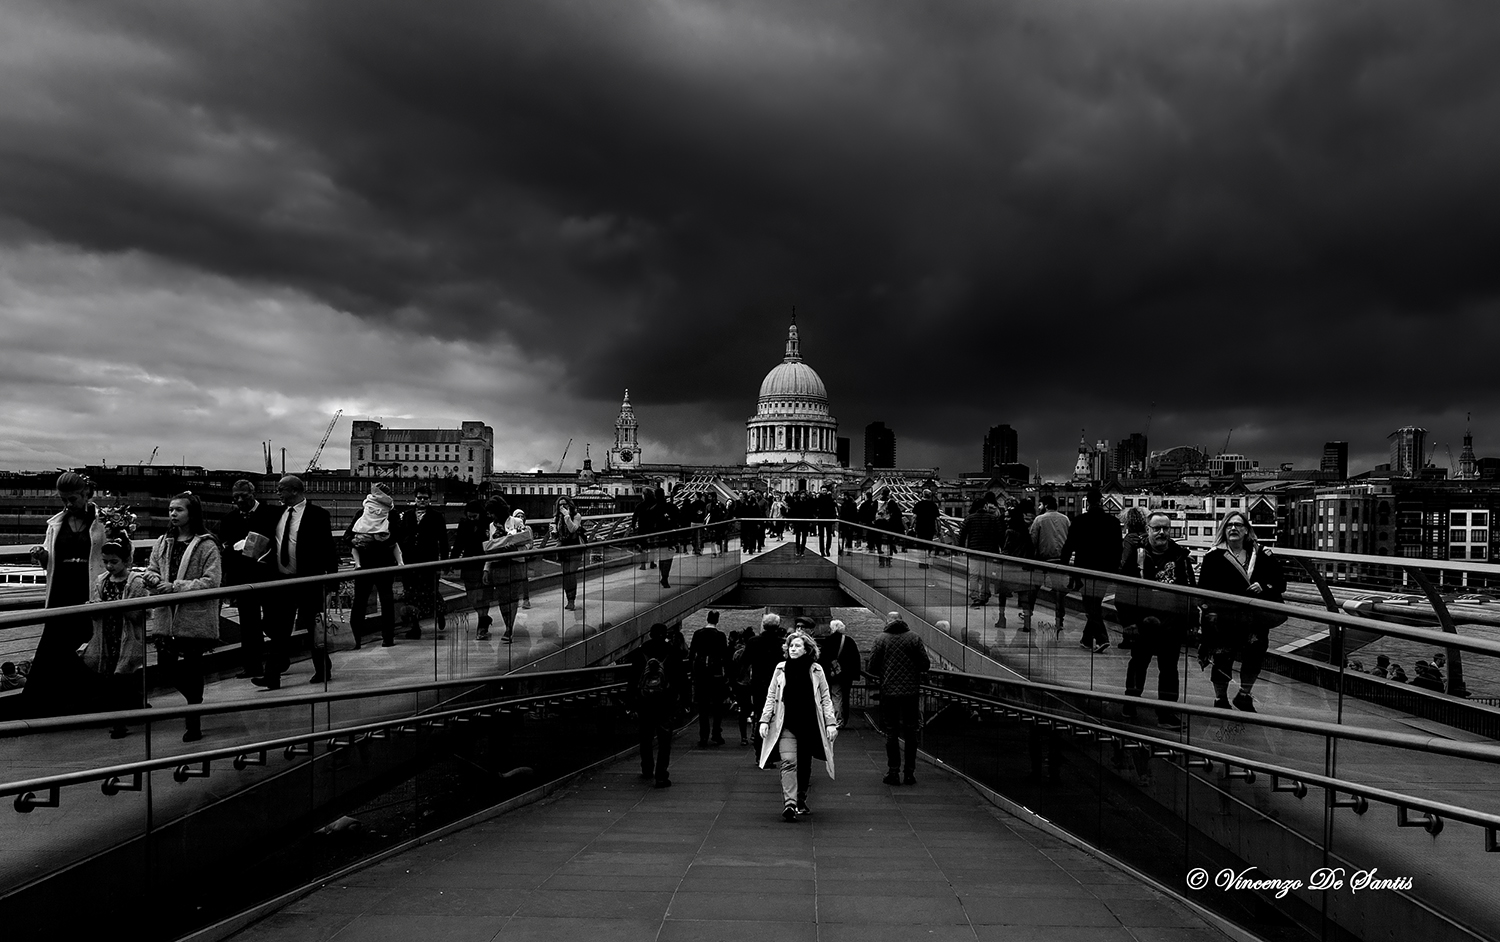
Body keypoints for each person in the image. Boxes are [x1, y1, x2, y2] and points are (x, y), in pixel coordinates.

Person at [23, 471, 109, 716]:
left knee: (84, 646)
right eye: (63, 500)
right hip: (61, 591)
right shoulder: (56, 523)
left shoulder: (104, 521)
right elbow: (52, 560)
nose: (68, 504)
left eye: (72, 499)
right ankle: (47, 706)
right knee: (53, 647)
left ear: (86, 494)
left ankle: (84, 701)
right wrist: (42, 555)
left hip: (88, 590)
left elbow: (117, 553)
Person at [146, 492, 223, 742]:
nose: (172, 514)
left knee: (192, 667)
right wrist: (153, 579)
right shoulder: (163, 541)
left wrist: (176, 587)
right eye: (170, 510)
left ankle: (193, 722)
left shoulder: (207, 545)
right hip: (166, 616)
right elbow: (152, 568)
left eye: (178, 510)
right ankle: (195, 702)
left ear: (192, 513)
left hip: (193, 616)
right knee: (166, 667)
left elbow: (212, 581)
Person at [1197, 510, 1286, 713]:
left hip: (1255, 618)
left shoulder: (1262, 554)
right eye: (1229, 525)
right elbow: (1203, 589)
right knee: (1222, 658)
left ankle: (1244, 695)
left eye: (1238, 525)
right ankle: (1220, 699)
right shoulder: (1214, 557)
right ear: (1223, 530)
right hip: (1225, 617)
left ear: (1247, 530)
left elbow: (1281, 582)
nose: (1234, 529)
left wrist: (1263, 586)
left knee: (1255, 655)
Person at [256, 475, 338, 690]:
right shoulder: (277, 514)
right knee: (279, 629)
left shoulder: (318, 515)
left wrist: (332, 580)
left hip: (309, 581)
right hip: (283, 582)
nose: (277, 493)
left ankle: (322, 669)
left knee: (314, 628)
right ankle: (272, 675)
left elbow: (328, 548)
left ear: (294, 490)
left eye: (281, 490)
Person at [1117, 511, 1195, 729]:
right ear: (1148, 530)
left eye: (1166, 528)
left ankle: (1166, 713)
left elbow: (1190, 589)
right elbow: (1123, 590)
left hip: (1172, 622)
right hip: (1144, 622)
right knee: (1138, 663)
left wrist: (1191, 620)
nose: (1162, 532)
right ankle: (1130, 702)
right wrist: (1128, 622)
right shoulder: (1136, 555)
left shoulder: (1180, 555)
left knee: (1169, 669)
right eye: (1157, 528)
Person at [758, 627, 838, 821]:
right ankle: (790, 803)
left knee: (804, 763)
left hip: (810, 723)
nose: (792, 649)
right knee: (788, 762)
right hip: (786, 723)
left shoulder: (816, 670)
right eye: (790, 646)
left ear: (806, 649)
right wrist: (764, 719)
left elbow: (826, 698)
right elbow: (771, 696)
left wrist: (830, 723)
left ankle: (800, 798)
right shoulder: (780, 668)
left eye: (797, 646)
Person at [83, 537, 152, 738]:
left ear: (126, 561)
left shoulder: (136, 582)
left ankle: (120, 721)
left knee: (122, 678)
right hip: (107, 636)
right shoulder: (101, 580)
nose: (109, 566)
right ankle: (130, 712)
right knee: (112, 678)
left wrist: (115, 608)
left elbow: (141, 614)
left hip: (127, 636)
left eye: (114, 562)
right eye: (105, 561)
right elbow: (96, 605)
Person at [217, 479, 282, 680]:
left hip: (268, 575)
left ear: (253, 493)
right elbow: (224, 551)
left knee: (273, 621)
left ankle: (279, 658)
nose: (239, 500)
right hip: (243, 578)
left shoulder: (272, 514)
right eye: (235, 497)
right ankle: (253, 666)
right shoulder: (229, 519)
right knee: (248, 624)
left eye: (243, 496)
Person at [1061, 486, 1123, 653]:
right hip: (1105, 569)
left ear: (1087, 502)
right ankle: (1087, 639)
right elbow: (1118, 549)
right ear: (1101, 501)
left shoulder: (1079, 521)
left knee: (1091, 605)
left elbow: (1069, 546)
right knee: (1094, 603)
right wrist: (1114, 569)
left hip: (1084, 569)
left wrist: (1064, 566)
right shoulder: (1113, 522)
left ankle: (1102, 638)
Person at [868, 616, 929, 785]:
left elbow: (871, 667)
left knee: (891, 732)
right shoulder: (914, 638)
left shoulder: (881, 639)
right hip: (911, 692)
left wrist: (885, 672)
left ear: (887, 622)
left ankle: (893, 772)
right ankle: (909, 773)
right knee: (911, 731)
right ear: (902, 621)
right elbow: (925, 664)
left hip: (889, 691)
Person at [627, 623, 687, 787]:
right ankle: (661, 774)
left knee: (645, 735)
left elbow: (633, 678)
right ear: (665, 634)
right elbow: (681, 678)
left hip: (644, 700)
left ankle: (647, 767)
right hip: (665, 700)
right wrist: (685, 700)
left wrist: (631, 702)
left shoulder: (641, 651)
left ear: (651, 634)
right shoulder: (672, 651)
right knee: (664, 739)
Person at [345, 484, 404, 647]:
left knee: (368, 602)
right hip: (379, 564)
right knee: (370, 601)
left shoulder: (383, 515)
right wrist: (356, 540)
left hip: (369, 564)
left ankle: (375, 638)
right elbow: (348, 536)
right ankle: (363, 638)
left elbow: (396, 536)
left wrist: (366, 541)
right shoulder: (389, 515)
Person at [396, 485, 448, 639]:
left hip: (429, 561)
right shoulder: (407, 515)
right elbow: (400, 536)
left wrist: (444, 562)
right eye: (420, 498)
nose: (422, 500)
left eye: (425, 498)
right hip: (410, 561)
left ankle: (439, 612)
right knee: (411, 594)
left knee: (431, 591)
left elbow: (443, 540)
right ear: (415, 499)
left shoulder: (437, 517)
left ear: (429, 499)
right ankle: (415, 626)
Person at [483, 503, 534, 643]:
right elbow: (491, 547)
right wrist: (486, 568)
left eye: (492, 513)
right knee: (502, 597)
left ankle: (509, 628)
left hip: (515, 563)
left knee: (512, 596)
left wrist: (515, 550)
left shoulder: (517, 522)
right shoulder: (491, 526)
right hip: (498, 564)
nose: (490, 516)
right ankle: (507, 623)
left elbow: (528, 543)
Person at [1026, 495, 1071, 635]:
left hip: (1042, 560)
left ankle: (1028, 617)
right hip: (1061, 561)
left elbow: (1032, 540)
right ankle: (1059, 621)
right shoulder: (1066, 519)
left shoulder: (1039, 520)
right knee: (1060, 593)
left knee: (1033, 590)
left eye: (1040, 505)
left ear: (1045, 505)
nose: (1038, 508)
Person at [453, 500, 494, 633]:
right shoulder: (463, 524)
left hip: (484, 564)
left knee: (483, 595)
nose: (471, 519)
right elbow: (459, 543)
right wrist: (451, 562)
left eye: (474, 517)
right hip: (469, 564)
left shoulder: (489, 523)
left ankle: (482, 623)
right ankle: (484, 617)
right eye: (469, 516)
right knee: (472, 596)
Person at [958, 495, 1004, 609]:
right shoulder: (993, 519)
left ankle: (974, 596)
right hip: (988, 551)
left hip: (973, 550)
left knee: (973, 575)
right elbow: (1000, 535)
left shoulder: (969, 518)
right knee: (986, 576)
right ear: (984, 506)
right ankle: (984, 596)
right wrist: (1001, 549)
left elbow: (962, 534)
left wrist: (960, 547)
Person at [995, 503, 1035, 633]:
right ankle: (1027, 624)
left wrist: (998, 558)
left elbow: (1007, 550)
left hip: (1009, 567)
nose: (1005, 519)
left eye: (1008, 517)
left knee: (1002, 594)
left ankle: (1002, 618)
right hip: (1023, 568)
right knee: (1024, 597)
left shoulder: (1010, 532)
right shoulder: (1025, 531)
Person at [748, 613, 786, 752]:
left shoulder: (753, 641)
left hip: (758, 683)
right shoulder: (782, 644)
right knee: (777, 715)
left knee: (760, 715)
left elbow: (745, 661)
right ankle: (773, 749)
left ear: (763, 625)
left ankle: (759, 749)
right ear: (777, 626)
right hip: (778, 684)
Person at [691, 610, 729, 746]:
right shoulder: (720, 636)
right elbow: (725, 656)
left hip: (701, 674)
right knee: (717, 706)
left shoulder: (697, 634)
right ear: (717, 620)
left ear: (707, 619)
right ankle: (716, 733)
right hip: (716, 674)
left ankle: (703, 735)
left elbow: (692, 654)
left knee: (703, 707)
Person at [818, 619, 862, 727]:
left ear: (832, 628)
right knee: (845, 696)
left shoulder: (828, 641)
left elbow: (822, 658)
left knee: (835, 695)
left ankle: (837, 719)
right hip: (847, 675)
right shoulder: (849, 641)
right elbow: (856, 658)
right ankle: (844, 718)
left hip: (833, 675)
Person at [1116, 508, 1149, 649]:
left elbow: (1123, 560)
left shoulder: (1129, 539)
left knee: (1123, 606)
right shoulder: (1147, 537)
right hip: (1145, 579)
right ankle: (1142, 637)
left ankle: (1128, 637)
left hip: (1127, 579)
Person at [552, 496, 587, 611]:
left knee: (571, 573)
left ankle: (572, 600)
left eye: (565, 505)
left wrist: (567, 516)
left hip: (575, 547)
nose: (562, 507)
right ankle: (568, 599)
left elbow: (573, 529)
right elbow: (556, 533)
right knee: (566, 575)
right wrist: (553, 531)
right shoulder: (557, 518)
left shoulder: (576, 516)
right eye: (560, 505)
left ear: (569, 505)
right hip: (563, 548)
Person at [912, 488, 941, 566]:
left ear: (922, 495)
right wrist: (939, 530)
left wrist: (911, 527)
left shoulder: (918, 504)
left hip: (920, 527)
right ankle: (927, 560)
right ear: (930, 496)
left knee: (920, 543)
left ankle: (921, 562)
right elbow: (937, 519)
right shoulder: (933, 505)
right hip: (930, 528)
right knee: (928, 543)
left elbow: (914, 517)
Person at [813, 484, 837, 556]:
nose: (824, 492)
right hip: (821, 518)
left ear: (827, 491)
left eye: (825, 490)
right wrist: (816, 515)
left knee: (829, 536)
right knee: (821, 536)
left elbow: (833, 508)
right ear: (820, 491)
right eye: (823, 490)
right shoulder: (818, 499)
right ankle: (822, 551)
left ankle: (827, 549)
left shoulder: (830, 499)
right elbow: (815, 508)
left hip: (828, 518)